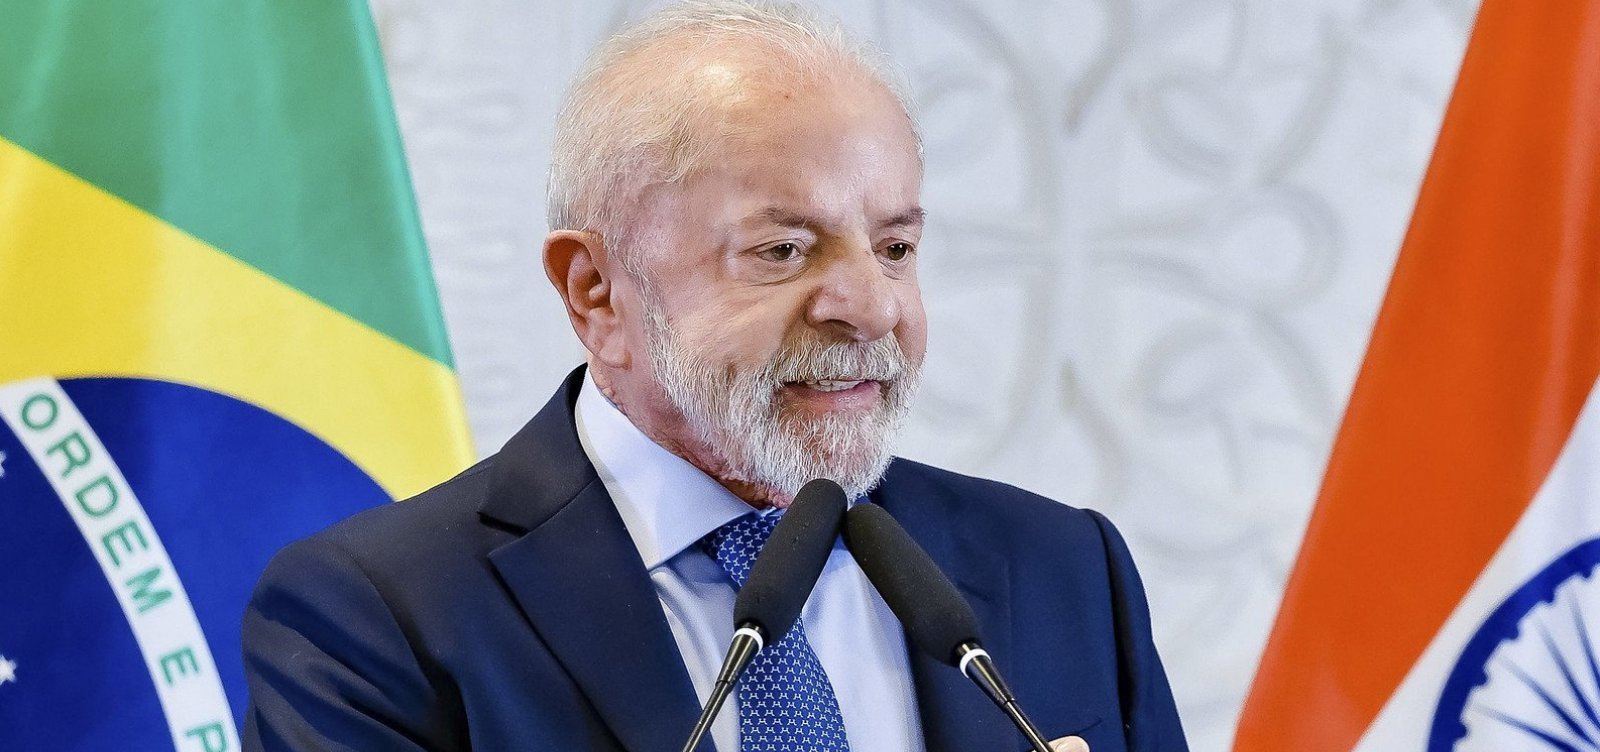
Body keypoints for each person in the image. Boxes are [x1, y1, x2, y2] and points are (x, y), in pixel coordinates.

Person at [240, 2, 1188, 750]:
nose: (871, 306)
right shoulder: (374, 618)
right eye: (783, 250)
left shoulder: (1064, 568)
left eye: (896, 247)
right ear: (596, 291)